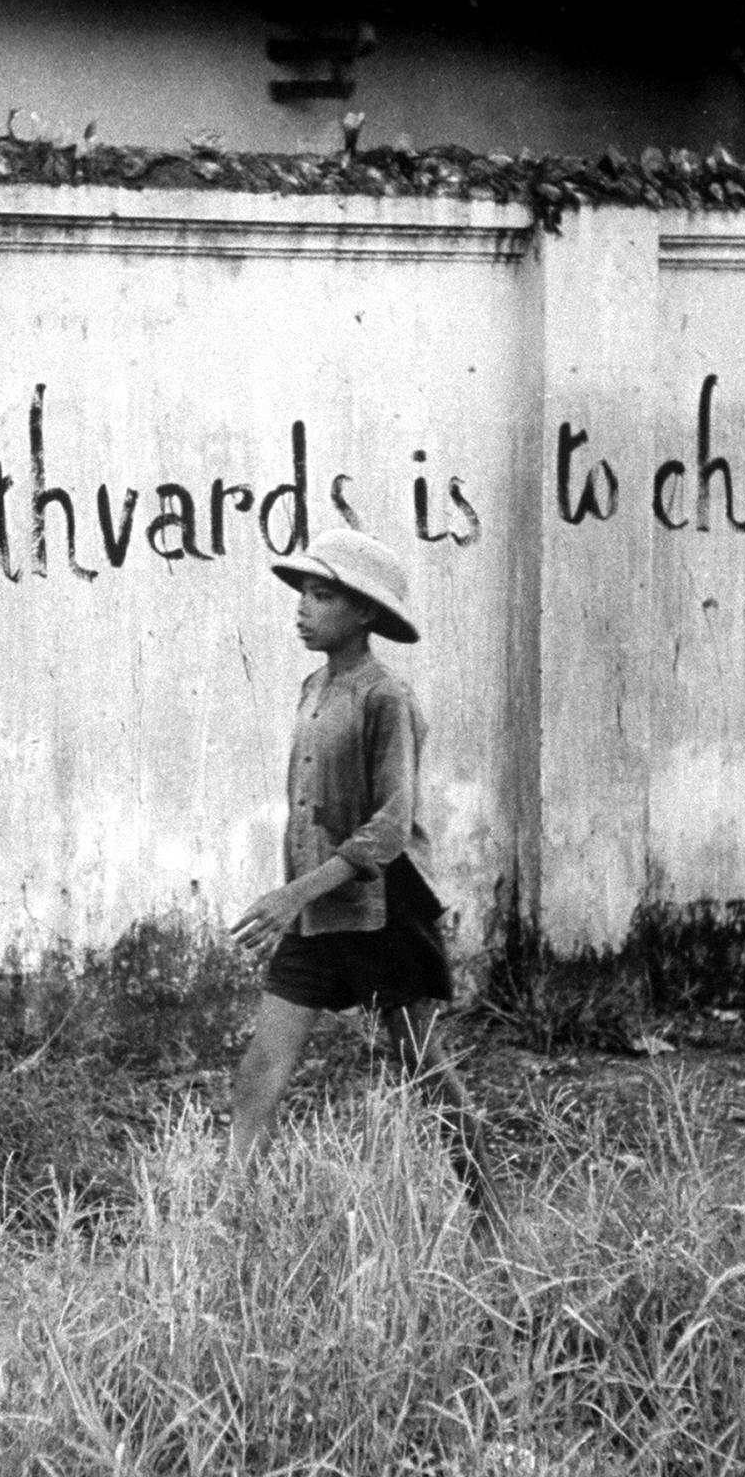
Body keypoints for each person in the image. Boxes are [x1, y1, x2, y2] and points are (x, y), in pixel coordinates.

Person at [226, 527, 501, 1231]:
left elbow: (391, 821)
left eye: (322, 596)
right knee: (261, 1068)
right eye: (303, 595)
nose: (303, 609)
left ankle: (494, 1220)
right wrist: (301, 898)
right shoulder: (313, 687)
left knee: (423, 1070)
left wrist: (293, 893)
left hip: (383, 909)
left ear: (365, 613)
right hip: (318, 914)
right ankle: (227, 1223)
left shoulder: (387, 698)